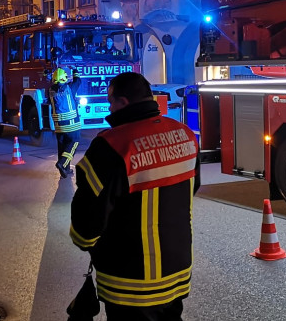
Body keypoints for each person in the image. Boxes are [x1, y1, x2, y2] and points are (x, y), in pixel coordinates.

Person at [70, 72, 200, 320]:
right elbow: (191, 188)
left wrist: (86, 242)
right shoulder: (185, 134)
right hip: (177, 271)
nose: (109, 108)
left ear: (123, 103)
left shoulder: (112, 145)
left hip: (130, 279)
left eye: (110, 102)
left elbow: (88, 218)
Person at [49, 66, 82, 178]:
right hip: (71, 124)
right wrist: (75, 70)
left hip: (58, 125)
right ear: (65, 78)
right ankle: (62, 163)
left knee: (62, 146)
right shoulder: (69, 88)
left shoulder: (50, 90)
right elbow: (78, 80)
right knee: (74, 142)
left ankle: (65, 171)